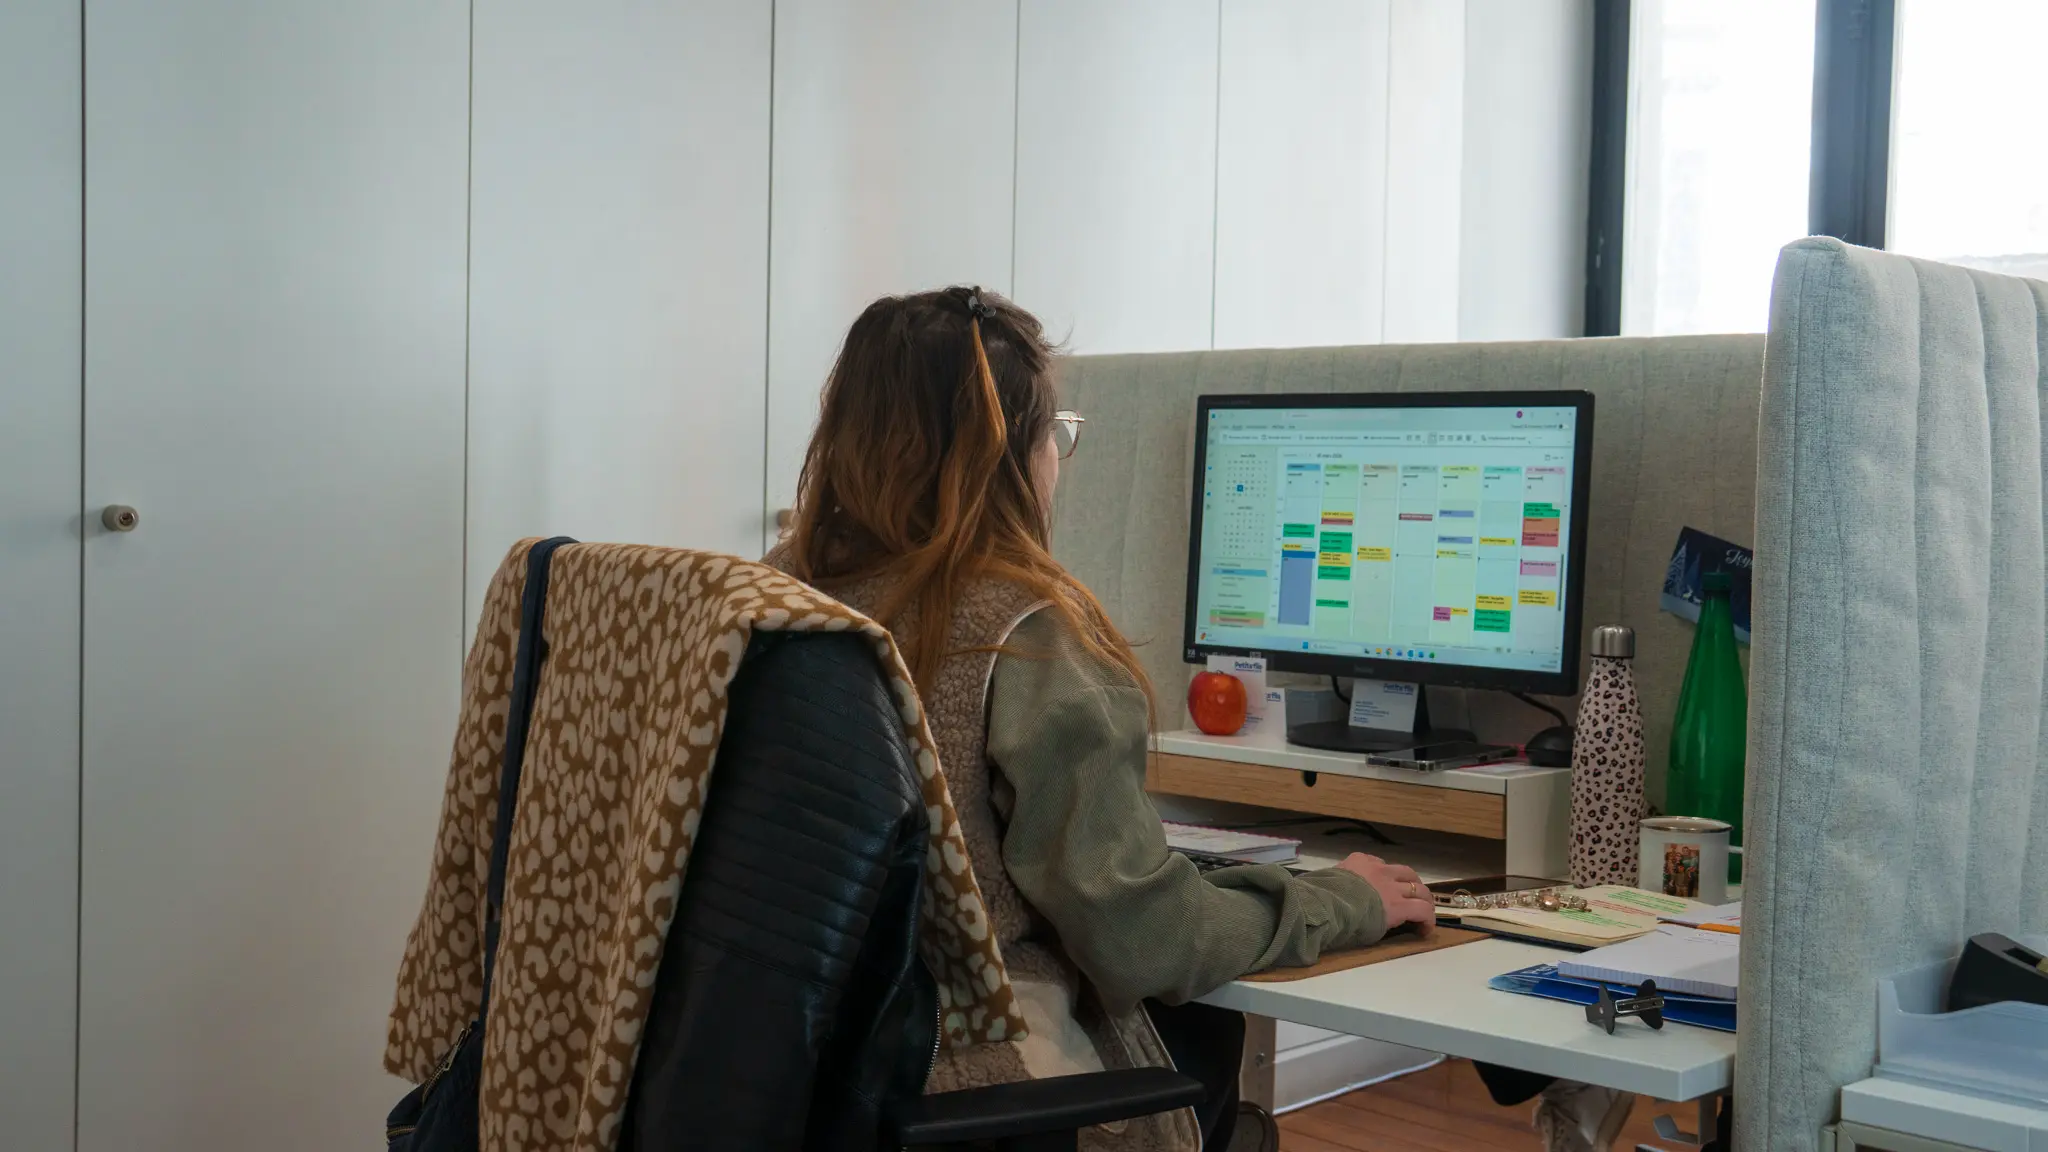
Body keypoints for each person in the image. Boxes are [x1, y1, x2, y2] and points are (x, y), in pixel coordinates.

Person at [767, 286, 1438, 1152]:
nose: (1060, 460)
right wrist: (1340, 901)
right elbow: (1145, 941)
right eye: (1056, 434)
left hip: (795, 1076)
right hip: (970, 1072)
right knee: (1199, 1039)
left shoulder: (775, 597)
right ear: (1011, 455)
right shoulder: (1024, 636)